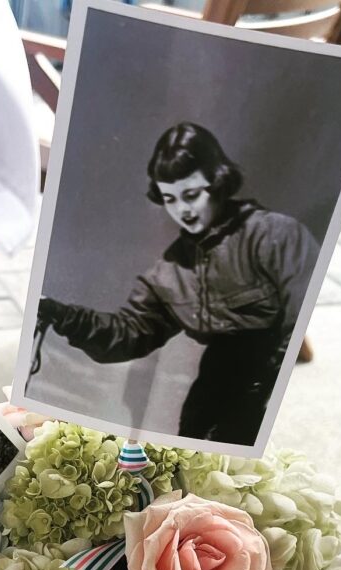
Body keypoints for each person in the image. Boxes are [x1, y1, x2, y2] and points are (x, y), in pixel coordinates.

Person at [36, 123, 320, 445]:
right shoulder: (170, 271)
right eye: (170, 198)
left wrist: (265, 385)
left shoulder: (276, 235)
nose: (182, 210)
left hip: (265, 377)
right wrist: (59, 314)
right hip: (212, 382)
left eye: (191, 195)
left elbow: (295, 317)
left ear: (218, 182)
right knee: (188, 451)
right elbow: (126, 334)